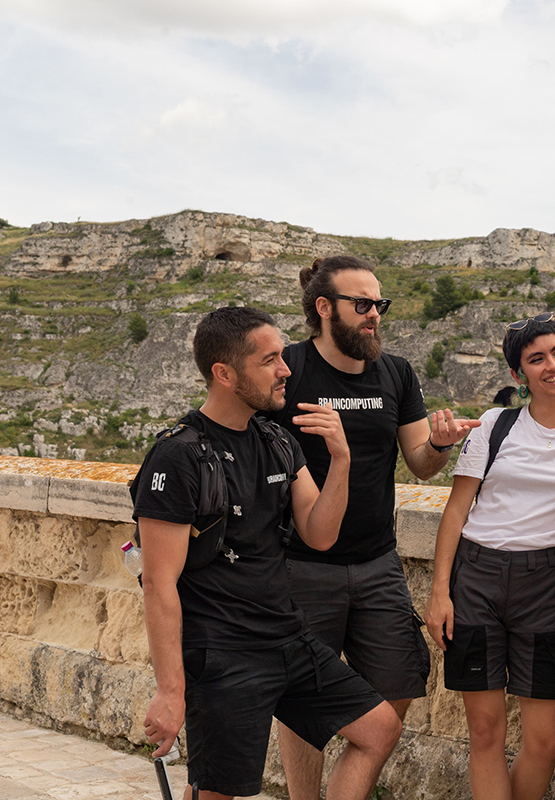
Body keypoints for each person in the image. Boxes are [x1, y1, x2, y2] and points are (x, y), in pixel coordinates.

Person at [134, 306, 402, 800]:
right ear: (225, 373)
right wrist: (171, 692)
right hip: (223, 654)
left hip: (286, 639)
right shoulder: (177, 457)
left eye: (283, 357)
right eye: (271, 360)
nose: (286, 370)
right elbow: (159, 583)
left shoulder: (276, 440)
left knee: (379, 728)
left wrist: (341, 458)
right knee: (220, 792)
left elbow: (319, 533)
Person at [271, 255, 479, 800]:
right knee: (303, 700)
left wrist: (439, 442)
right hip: (301, 566)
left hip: (377, 564)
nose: (374, 316)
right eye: (362, 304)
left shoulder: (397, 372)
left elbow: (419, 462)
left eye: (379, 305)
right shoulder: (288, 370)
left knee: (397, 689)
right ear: (324, 308)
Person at [423, 312, 555, 800]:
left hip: (546, 585)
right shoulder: (495, 425)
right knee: (487, 733)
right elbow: (456, 511)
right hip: (476, 579)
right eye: (536, 359)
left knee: (543, 741)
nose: (552, 365)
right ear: (519, 375)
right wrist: (439, 594)